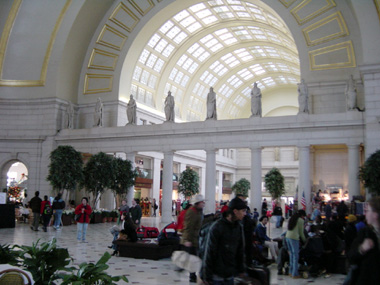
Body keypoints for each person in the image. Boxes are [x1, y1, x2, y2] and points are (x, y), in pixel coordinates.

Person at [201, 197, 246, 284]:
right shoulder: (217, 227)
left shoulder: (239, 227)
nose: (245, 214)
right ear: (235, 211)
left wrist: (241, 269)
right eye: (243, 211)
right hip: (216, 275)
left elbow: (240, 250)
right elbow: (209, 251)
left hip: (229, 274)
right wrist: (206, 275)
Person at [347, 197, 380, 284]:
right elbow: (351, 256)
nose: (365, 213)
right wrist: (361, 249)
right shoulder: (365, 233)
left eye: (368, 210)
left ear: (376, 214)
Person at [181, 194, 205, 283]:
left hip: (198, 238)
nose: (203, 204)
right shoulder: (191, 212)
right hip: (192, 239)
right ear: (197, 203)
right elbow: (188, 227)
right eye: (202, 202)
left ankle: (197, 275)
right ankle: (192, 276)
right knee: (193, 259)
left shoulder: (199, 211)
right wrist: (187, 239)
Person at [285, 209, 306, 279]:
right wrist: (305, 240)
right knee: (295, 256)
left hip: (287, 237)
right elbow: (301, 233)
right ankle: (295, 274)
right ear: (302, 215)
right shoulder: (301, 221)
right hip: (294, 238)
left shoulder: (292, 218)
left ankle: (290, 272)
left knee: (291, 255)